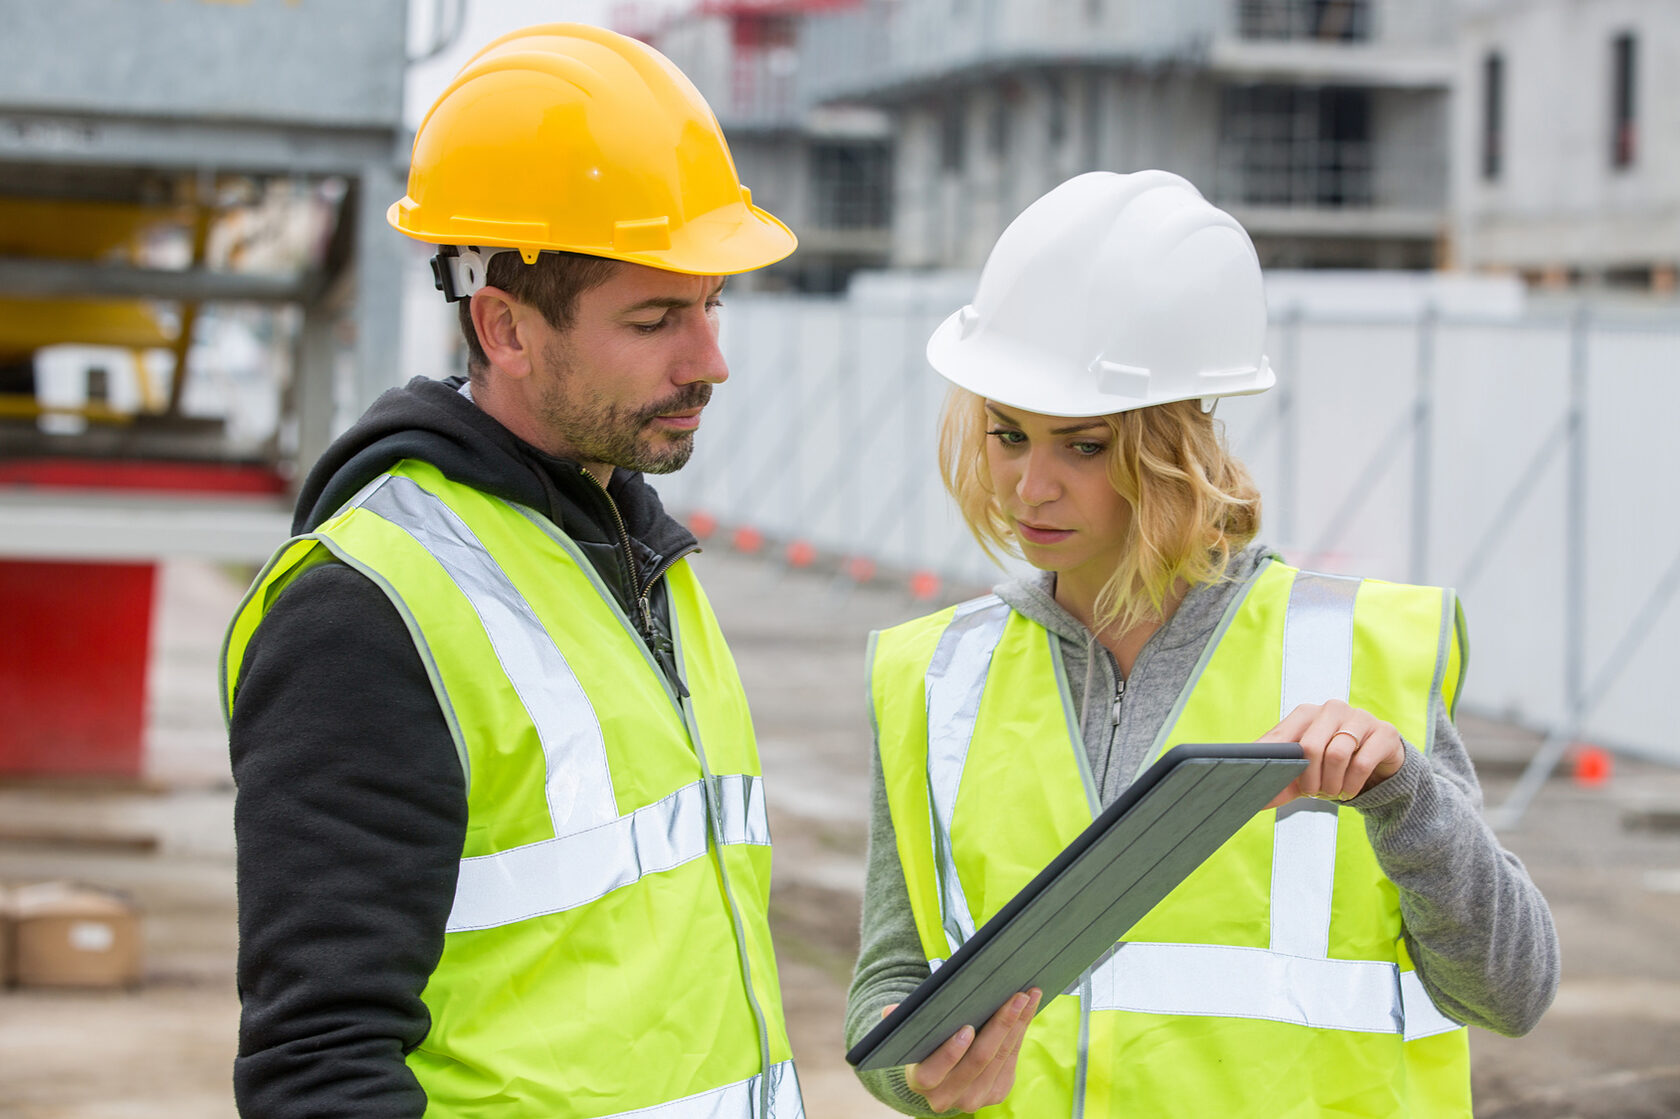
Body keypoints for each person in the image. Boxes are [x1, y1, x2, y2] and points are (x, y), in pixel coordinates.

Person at [845, 170, 1559, 1118]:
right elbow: (889, 978)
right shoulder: (934, 675)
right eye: (1009, 435)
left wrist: (1404, 798)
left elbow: (1511, 991)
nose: (1028, 488)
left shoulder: (1361, 648)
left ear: (1175, 442)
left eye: (1084, 445)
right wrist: (911, 1068)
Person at [223, 24, 807, 1118]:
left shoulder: (636, 557)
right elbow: (319, 1065)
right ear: (505, 328)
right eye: (657, 318)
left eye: (711, 305)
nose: (710, 361)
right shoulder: (364, 611)